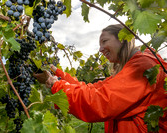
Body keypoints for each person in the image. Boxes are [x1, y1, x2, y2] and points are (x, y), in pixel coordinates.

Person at [33, 24, 167, 133]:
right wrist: (59, 76)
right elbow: (94, 89)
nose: (100, 49)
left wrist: (55, 85)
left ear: (122, 37)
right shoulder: (130, 68)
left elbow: (99, 101)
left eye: (104, 41)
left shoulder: (144, 66)